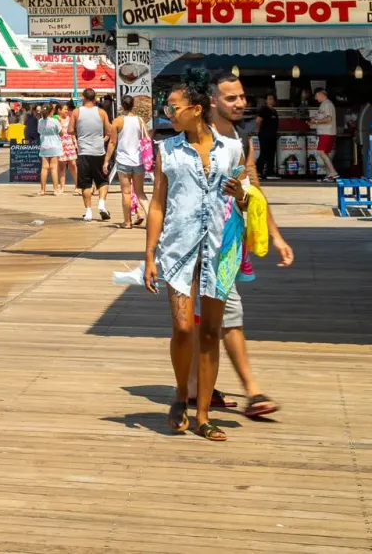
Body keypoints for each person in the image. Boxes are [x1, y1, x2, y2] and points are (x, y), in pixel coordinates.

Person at [144, 78, 241, 442]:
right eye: (167, 107)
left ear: (197, 110)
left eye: (174, 107)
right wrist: (149, 254)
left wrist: (240, 194)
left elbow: (245, 199)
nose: (169, 113)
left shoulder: (232, 149)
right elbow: (157, 204)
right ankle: (181, 394)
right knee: (184, 328)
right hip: (177, 248)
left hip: (218, 248)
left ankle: (203, 415)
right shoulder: (166, 150)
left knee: (212, 333)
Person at [207, 69, 293, 420]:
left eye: (241, 96)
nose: (240, 102)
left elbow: (254, 192)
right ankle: (251, 392)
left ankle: (203, 387)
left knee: (214, 319)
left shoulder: (243, 140)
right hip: (197, 245)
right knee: (222, 317)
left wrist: (275, 235)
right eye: (231, 97)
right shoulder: (195, 138)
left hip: (228, 243)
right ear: (212, 101)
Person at [110, 95, 150, 228]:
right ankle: (151, 219)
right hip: (138, 160)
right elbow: (147, 138)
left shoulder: (117, 121)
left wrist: (106, 160)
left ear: (122, 106)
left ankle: (127, 222)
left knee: (126, 192)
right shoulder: (140, 120)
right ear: (133, 105)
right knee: (140, 192)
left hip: (123, 160)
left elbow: (112, 142)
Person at [75, 90, 111, 221]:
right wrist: (103, 139)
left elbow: (69, 130)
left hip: (84, 151)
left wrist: (80, 132)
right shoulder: (101, 113)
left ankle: (88, 212)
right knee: (102, 180)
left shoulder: (77, 112)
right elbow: (109, 131)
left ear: (83, 98)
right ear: (95, 98)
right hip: (98, 151)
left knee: (85, 184)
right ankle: (101, 204)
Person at [309, 88, 339, 179]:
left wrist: (316, 122)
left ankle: (333, 172)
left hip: (327, 132)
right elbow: (323, 117)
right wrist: (314, 120)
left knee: (321, 151)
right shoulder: (323, 104)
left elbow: (329, 119)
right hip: (325, 132)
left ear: (321, 94)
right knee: (325, 153)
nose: (315, 98)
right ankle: (329, 174)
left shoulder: (328, 104)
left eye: (316, 95)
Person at [37, 103, 64, 195]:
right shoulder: (55, 121)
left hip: (44, 144)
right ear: (51, 111)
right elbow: (61, 133)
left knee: (44, 168)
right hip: (54, 145)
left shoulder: (40, 121)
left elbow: (39, 131)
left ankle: (42, 190)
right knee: (53, 168)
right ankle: (56, 190)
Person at [255, 95, 279, 180]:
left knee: (271, 154)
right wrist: (258, 131)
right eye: (270, 99)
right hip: (265, 135)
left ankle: (270, 173)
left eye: (273, 99)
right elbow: (258, 120)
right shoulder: (264, 110)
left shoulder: (274, 111)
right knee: (264, 153)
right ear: (266, 101)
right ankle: (258, 172)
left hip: (272, 135)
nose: (272, 100)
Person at [58, 100, 79, 192]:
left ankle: (77, 185)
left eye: (67, 109)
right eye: (64, 109)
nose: (66, 111)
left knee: (73, 165)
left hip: (69, 143)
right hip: (60, 144)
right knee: (62, 167)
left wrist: (75, 142)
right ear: (59, 110)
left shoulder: (69, 119)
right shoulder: (56, 120)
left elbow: (72, 132)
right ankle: (62, 187)